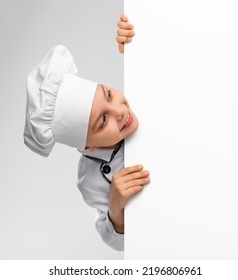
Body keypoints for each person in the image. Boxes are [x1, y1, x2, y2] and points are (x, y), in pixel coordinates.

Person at [23, 14, 147, 251]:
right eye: (103, 121)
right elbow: (116, 242)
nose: (119, 112)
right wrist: (116, 208)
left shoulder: (137, 94)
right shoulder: (90, 180)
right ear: (88, 146)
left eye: (108, 95)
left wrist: (136, 40)